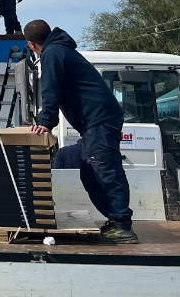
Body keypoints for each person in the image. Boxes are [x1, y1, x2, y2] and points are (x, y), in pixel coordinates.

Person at [24, 19, 138, 244]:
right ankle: (115, 220)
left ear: (31, 45)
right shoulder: (61, 50)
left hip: (100, 121)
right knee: (88, 172)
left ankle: (123, 226)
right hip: (94, 123)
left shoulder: (52, 53)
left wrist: (45, 121)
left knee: (107, 172)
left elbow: (50, 89)